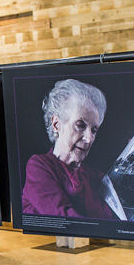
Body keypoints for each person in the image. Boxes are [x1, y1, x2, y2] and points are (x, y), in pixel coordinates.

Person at [21, 78, 118, 220]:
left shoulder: (92, 177)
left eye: (94, 130)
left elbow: (120, 209)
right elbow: (67, 220)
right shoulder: (39, 167)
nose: (89, 138)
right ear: (56, 124)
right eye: (80, 125)